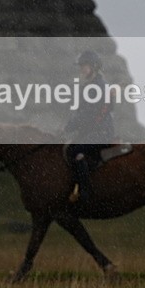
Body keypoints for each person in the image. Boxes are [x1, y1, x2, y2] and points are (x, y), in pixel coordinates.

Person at [62, 50, 116, 203]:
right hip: (93, 130)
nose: (81, 69)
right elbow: (82, 112)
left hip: (101, 132)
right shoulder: (92, 85)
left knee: (74, 151)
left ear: (94, 67)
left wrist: (67, 128)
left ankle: (85, 193)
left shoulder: (97, 87)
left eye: (84, 66)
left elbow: (88, 114)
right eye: (81, 66)